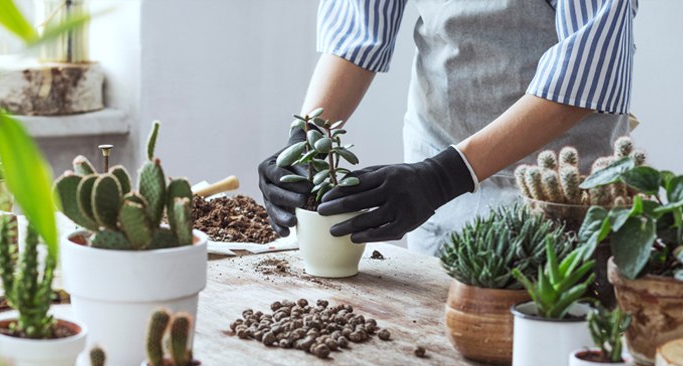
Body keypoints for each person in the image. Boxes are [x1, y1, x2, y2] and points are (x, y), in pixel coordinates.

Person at [258, 0, 636, 254]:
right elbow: (357, 26)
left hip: (557, 188)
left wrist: (442, 177)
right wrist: (306, 140)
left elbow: (588, 69)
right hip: (435, 172)